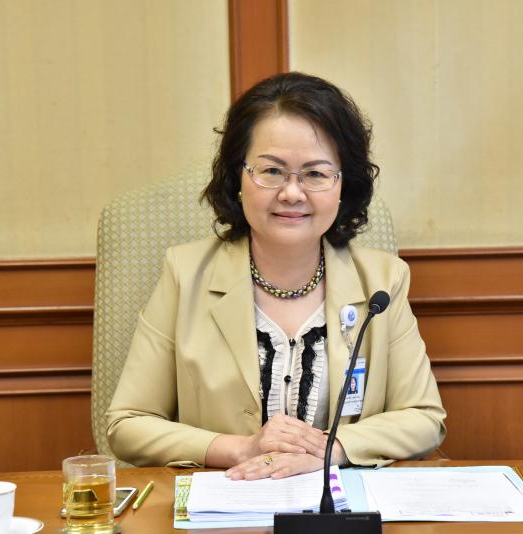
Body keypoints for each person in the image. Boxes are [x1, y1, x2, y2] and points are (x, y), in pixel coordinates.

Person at [106, 72, 446, 480]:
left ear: (343, 186)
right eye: (271, 171)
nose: (292, 193)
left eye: (315, 174)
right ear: (238, 178)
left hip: (337, 504)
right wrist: (241, 448)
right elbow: (127, 424)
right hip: (229, 501)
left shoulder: (382, 280)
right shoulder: (185, 273)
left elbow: (424, 417)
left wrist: (330, 449)